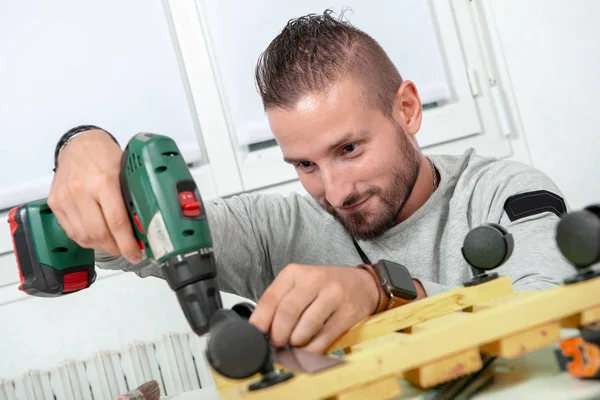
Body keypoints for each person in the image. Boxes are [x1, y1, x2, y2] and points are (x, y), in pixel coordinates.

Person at [47, 11, 574, 354]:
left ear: (407, 110)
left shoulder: (505, 192)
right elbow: (126, 234)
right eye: (304, 165)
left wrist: (380, 290)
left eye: (349, 149)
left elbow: (554, 318)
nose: (336, 191)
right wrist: (80, 144)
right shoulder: (275, 233)